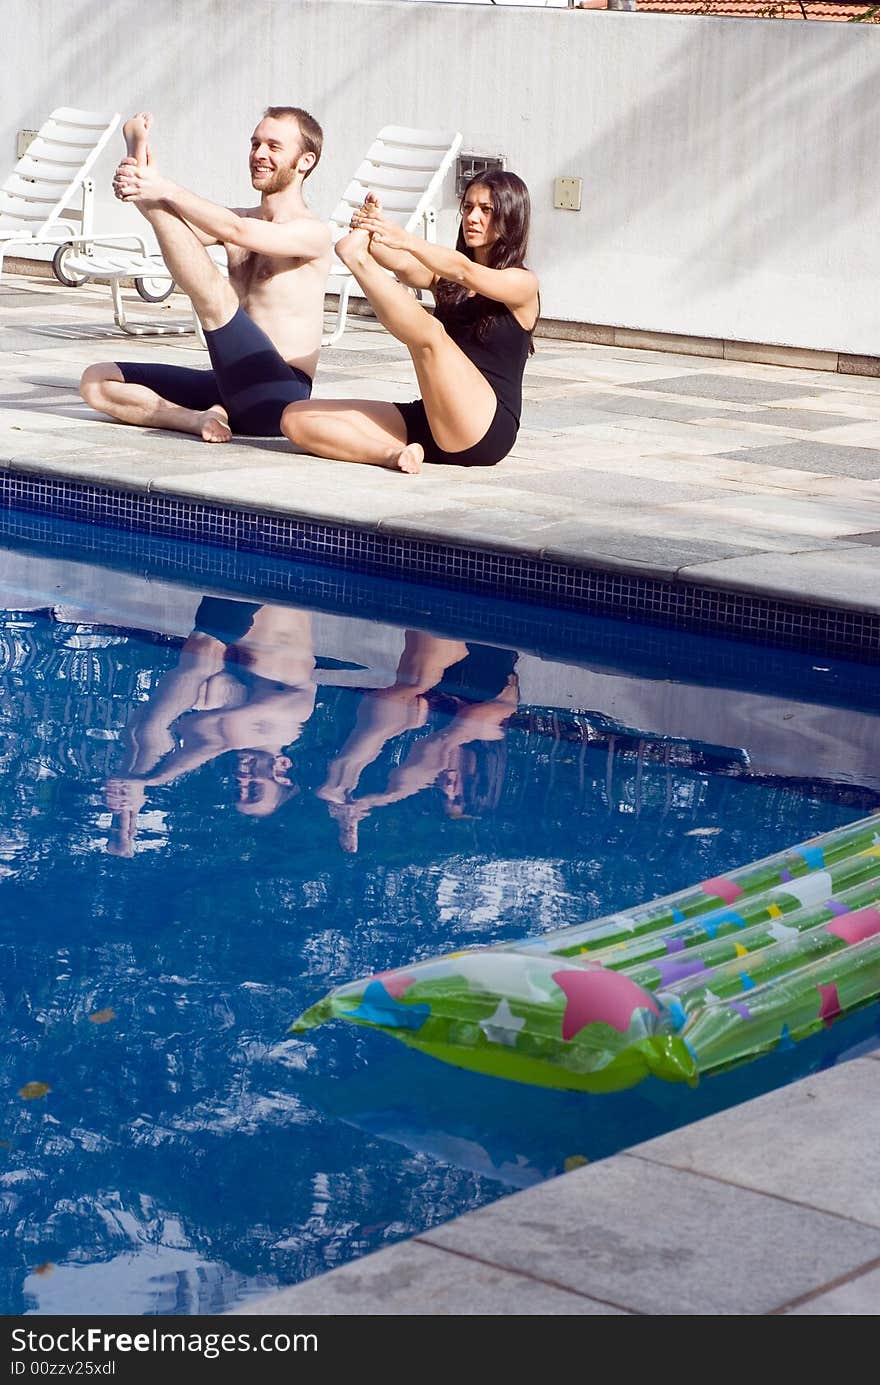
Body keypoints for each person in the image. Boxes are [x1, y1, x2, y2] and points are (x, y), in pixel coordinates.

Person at [80, 109, 332, 443]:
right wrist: (140, 178)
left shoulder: (313, 233)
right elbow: (173, 229)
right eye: (255, 144)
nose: (259, 154)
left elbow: (235, 229)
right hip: (228, 385)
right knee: (96, 381)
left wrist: (159, 187)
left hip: (277, 397)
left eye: (274, 146)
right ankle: (199, 420)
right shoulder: (236, 219)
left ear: (305, 161)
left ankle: (216, 411)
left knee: (218, 298)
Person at [280, 169, 539, 473]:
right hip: (434, 419)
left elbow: (464, 271)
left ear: (511, 216)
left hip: (485, 429)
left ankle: (356, 261)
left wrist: (404, 239)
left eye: (486, 210)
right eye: (467, 207)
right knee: (295, 417)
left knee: (431, 336)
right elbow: (404, 265)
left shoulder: (522, 285)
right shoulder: (448, 280)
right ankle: (393, 455)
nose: (472, 217)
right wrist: (370, 231)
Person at [104, 597, 317, 855]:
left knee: (151, 727)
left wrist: (146, 778)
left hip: (232, 621)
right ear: (283, 769)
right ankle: (134, 794)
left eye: (238, 790)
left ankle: (128, 813)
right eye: (254, 789)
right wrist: (156, 779)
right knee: (188, 691)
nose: (241, 779)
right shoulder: (294, 717)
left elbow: (204, 732)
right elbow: (211, 734)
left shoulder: (245, 719)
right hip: (262, 592)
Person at [317, 630, 519, 851]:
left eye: (444, 797)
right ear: (481, 785)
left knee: (404, 710)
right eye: (458, 798)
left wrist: (365, 803)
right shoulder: (495, 725)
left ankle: (339, 785)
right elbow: (441, 742)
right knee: (417, 684)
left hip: (437, 627)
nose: (447, 788)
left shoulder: (437, 719)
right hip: (479, 625)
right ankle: (340, 782)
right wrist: (386, 798)